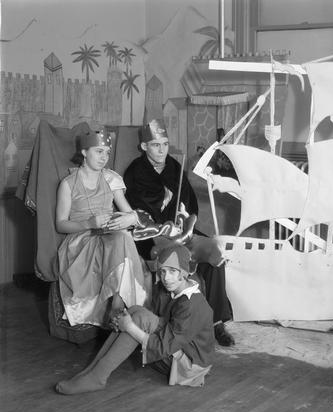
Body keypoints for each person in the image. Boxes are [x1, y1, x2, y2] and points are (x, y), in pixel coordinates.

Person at [123, 119, 235, 346]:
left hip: (182, 230)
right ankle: (180, 324)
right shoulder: (135, 172)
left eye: (165, 144)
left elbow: (190, 203)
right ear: (144, 147)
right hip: (153, 236)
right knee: (179, 257)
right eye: (156, 145)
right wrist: (164, 212)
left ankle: (215, 322)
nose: (162, 149)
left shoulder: (174, 167)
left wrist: (183, 215)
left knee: (214, 254)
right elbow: (137, 211)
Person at [56, 243, 215, 394]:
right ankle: (92, 372)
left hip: (189, 367)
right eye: (163, 271)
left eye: (173, 271)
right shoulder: (166, 289)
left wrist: (130, 327)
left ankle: (97, 376)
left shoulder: (193, 305)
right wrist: (123, 322)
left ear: (184, 273)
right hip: (173, 352)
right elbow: (153, 321)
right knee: (135, 311)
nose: (166, 278)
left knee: (138, 320)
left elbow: (162, 347)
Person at [55, 128, 147, 327]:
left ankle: (117, 302)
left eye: (107, 152)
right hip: (81, 239)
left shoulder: (111, 179)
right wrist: (88, 223)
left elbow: (130, 213)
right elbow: (61, 224)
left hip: (110, 235)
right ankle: (119, 304)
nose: (104, 157)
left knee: (122, 236)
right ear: (84, 152)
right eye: (99, 151)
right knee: (121, 240)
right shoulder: (68, 184)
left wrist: (129, 219)